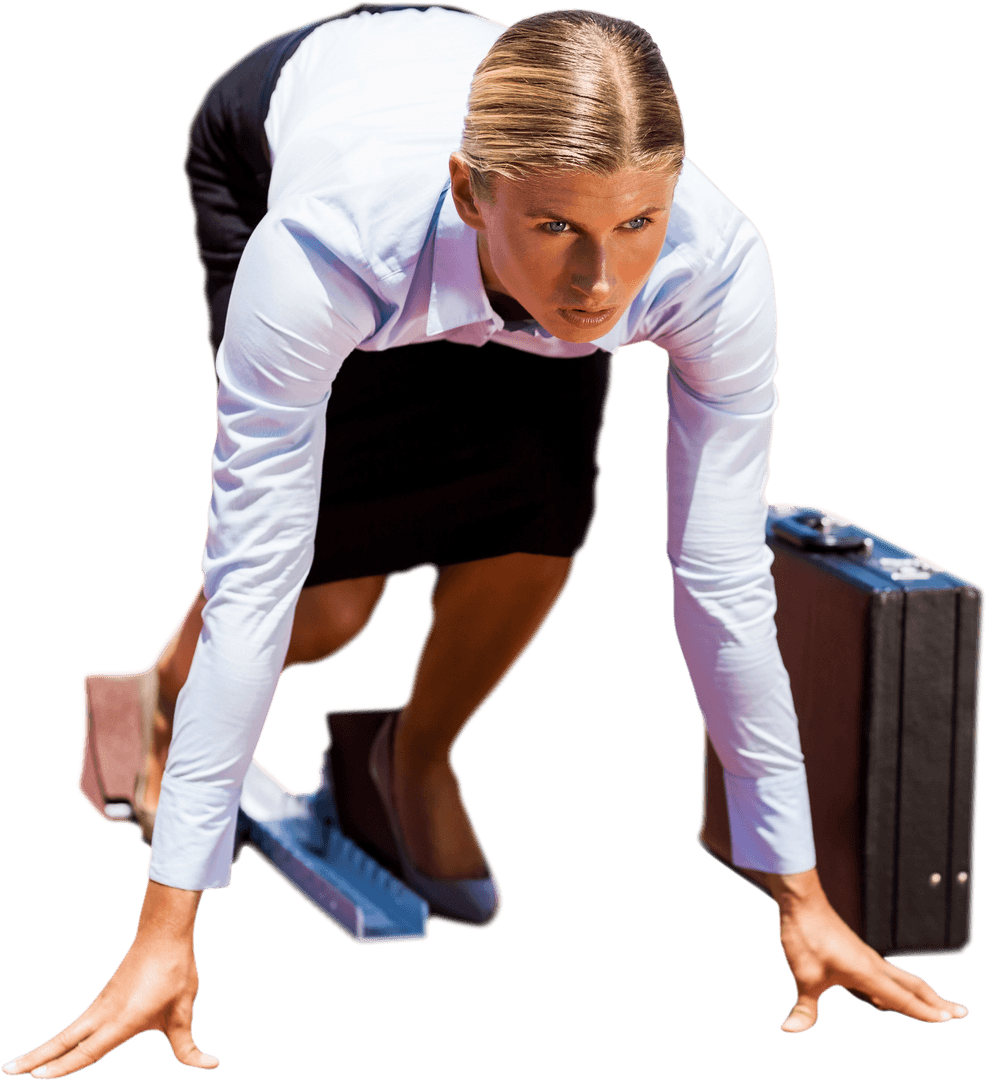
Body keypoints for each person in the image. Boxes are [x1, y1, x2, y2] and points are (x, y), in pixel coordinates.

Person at [1, 5, 968, 1076]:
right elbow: (254, 572)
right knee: (321, 608)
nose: (602, 287)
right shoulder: (324, 255)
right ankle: (149, 703)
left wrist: (800, 894)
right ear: (470, 192)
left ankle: (409, 753)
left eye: (639, 224)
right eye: (565, 233)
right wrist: (165, 933)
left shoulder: (707, 265)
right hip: (297, 144)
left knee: (536, 521)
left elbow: (721, 581)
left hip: (496, 204)